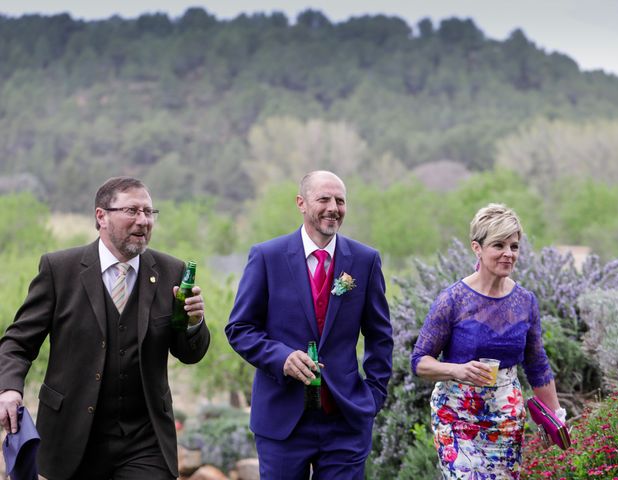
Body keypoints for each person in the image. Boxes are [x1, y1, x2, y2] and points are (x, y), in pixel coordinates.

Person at [0, 176, 210, 480]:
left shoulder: (171, 272)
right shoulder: (59, 270)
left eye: (149, 212)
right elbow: (18, 342)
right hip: (72, 434)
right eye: (132, 211)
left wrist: (194, 323)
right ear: (101, 216)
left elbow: (190, 354)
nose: (143, 221)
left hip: (145, 440)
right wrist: (8, 388)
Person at [226, 170, 393, 479]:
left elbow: (380, 335)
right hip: (282, 421)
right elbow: (240, 329)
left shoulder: (365, 260)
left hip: (345, 418)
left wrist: (373, 395)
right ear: (301, 203)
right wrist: (282, 358)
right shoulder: (267, 257)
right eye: (324, 199)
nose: (333, 207)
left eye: (340, 201)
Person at [411, 203, 563, 479]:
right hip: (456, 415)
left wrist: (556, 418)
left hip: (506, 417)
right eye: (498, 245)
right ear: (476, 248)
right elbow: (419, 362)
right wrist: (456, 370)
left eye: (514, 246)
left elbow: (537, 364)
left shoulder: (526, 301)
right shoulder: (452, 300)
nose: (508, 253)